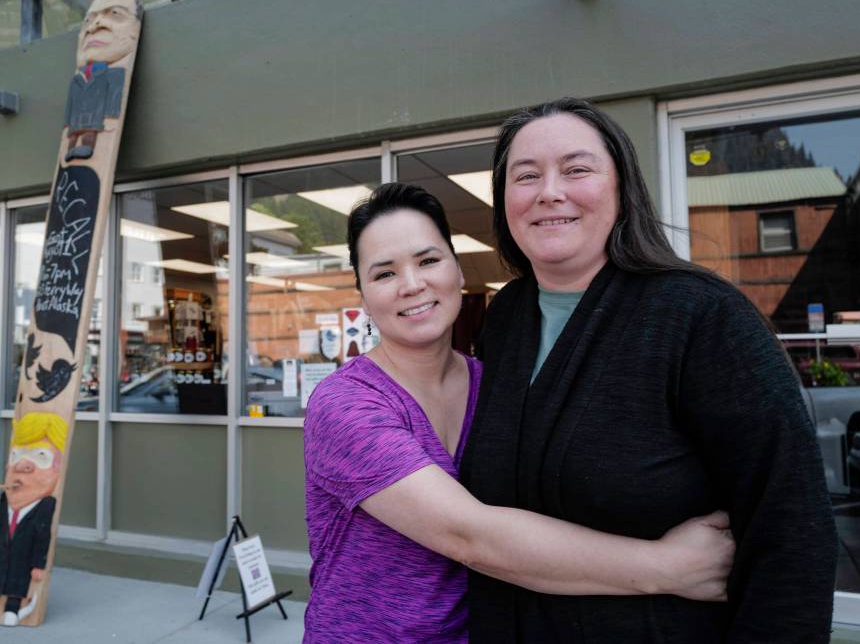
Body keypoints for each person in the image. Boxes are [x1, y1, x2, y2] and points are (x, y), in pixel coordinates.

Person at [461, 98, 838, 642]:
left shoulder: (701, 315)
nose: (549, 192)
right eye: (526, 176)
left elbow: (791, 527)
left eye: (576, 169)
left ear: (622, 188)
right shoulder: (505, 319)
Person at [303, 183, 736, 643]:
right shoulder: (345, 403)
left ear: (456, 269)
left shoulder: (498, 384)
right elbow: (468, 536)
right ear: (364, 296)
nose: (412, 285)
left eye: (428, 261)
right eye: (385, 273)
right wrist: (667, 566)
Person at [0, 411, 67, 627]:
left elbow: (43, 536)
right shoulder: (6, 499)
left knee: (19, 580)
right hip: (3, 556)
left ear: (57, 467)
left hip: (25, 559)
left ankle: (13, 608)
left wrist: (39, 565)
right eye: (16, 455)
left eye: (40, 456)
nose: (21, 466)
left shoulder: (45, 504)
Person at [63, 0, 143, 162]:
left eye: (115, 13)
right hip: (76, 121)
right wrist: (66, 123)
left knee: (89, 133)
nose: (92, 27)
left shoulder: (114, 73)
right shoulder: (77, 78)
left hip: (95, 119)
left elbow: (115, 97)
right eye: (88, 21)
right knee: (73, 136)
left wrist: (111, 119)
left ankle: (86, 146)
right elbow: (70, 104)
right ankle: (71, 149)